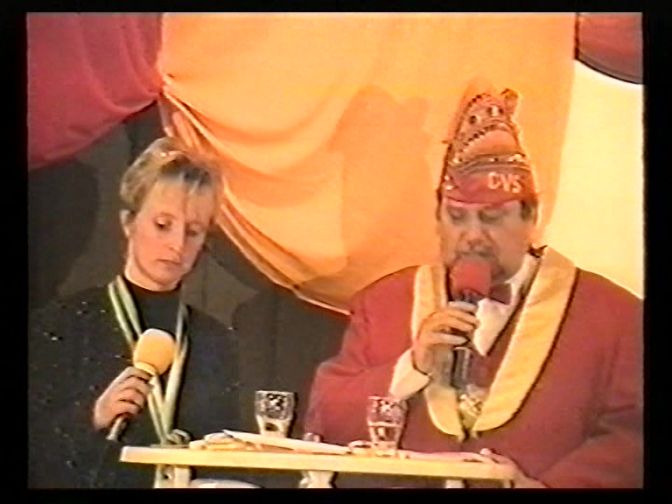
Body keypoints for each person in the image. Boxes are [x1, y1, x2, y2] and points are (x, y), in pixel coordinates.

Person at [303, 82, 643, 488]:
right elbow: (326, 421)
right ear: (438, 218)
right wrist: (413, 367)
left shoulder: (615, 316)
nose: (473, 237)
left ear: (531, 217)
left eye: (492, 218)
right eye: (457, 218)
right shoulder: (384, 303)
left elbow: (631, 436)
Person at [28, 137, 255, 488]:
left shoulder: (215, 341)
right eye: (163, 225)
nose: (177, 245)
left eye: (193, 232)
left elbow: (228, 460)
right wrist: (93, 416)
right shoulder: (64, 324)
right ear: (128, 223)